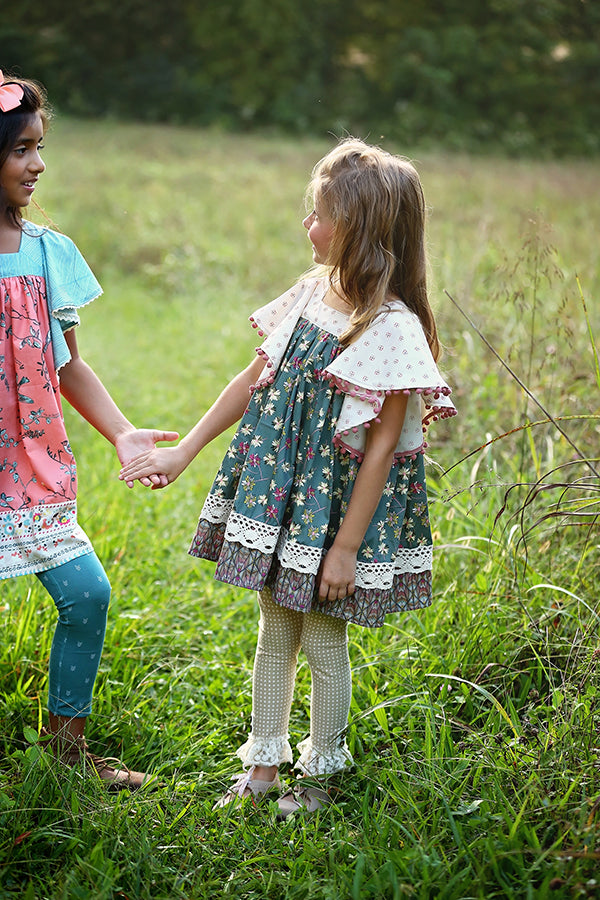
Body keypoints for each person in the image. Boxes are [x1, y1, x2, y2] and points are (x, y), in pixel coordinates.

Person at [120, 137, 457, 814]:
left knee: (325, 642)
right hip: (278, 500)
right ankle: (264, 767)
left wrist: (345, 549)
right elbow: (253, 378)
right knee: (274, 633)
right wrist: (183, 451)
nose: (308, 225)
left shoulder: (390, 327)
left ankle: (322, 778)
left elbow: (384, 447)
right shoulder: (308, 295)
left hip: (331, 518)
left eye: (318, 213)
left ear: (356, 228)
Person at [0, 71, 178, 788]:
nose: (38, 165)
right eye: (20, 150)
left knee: (88, 594)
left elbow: (68, 365)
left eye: (40, 148)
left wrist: (122, 433)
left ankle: (66, 753)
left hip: (31, 469)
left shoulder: (48, 253)